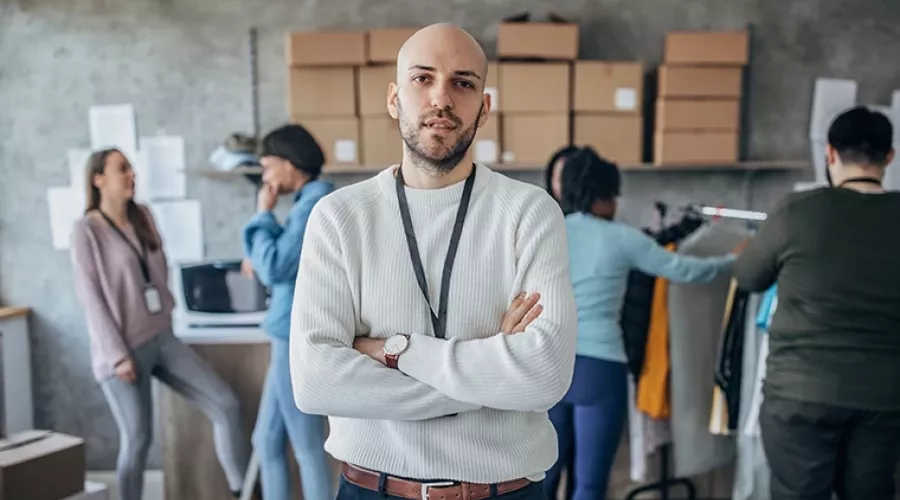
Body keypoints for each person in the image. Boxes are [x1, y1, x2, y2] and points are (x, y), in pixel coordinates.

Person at [288, 23, 578, 500]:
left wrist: (395, 351)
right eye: (422, 79)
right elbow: (316, 382)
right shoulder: (339, 217)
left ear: (484, 108)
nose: (441, 98)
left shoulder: (531, 212)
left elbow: (544, 375)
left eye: (463, 83)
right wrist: (490, 375)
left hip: (507, 491)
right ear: (393, 98)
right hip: (373, 490)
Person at [543, 147, 737, 500]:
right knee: (588, 484)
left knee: (542, 477)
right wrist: (732, 261)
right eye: (614, 196)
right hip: (600, 369)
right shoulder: (622, 237)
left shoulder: (547, 232)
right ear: (604, 195)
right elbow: (685, 270)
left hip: (548, 363)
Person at [733, 106, 900, 500]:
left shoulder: (798, 211)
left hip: (800, 392)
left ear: (829, 154)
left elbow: (748, 276)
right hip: (884, 397)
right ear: (889, 157)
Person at [70, 148, 250, 500]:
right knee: (138, 439)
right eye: (122, 169)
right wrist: (117, 354)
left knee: (226, 404)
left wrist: (169, 312)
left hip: (161, 337)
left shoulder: (144, 216)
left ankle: (240, 490)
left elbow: (159, 271)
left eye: (132, 168)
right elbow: (91, 298)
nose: (131, 174)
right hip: (122, 350)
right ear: (98, 179)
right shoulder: (85, 231)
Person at [241, 124, 335, 500]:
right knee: (266, 439)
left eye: (267, 166)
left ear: (289, 163)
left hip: (292, 333)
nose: (265, 177)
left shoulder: (314, 204)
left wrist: (262, 215)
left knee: (307, 444)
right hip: (286, 331)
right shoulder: (307, 204)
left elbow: (276, 265)